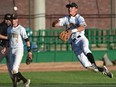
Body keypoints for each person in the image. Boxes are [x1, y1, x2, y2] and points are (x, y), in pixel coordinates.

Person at [52, 2, 113, 78]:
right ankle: (103, 70)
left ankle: (94, 64)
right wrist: (55, 22)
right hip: (74, 45)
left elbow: (83, 27)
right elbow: (54, 24)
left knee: (85, 49)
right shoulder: (66, 18)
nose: (69, 9)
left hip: (81, 39)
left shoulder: (79, 18)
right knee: (88, 67)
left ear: (76, 9)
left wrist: (71, 31)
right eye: (69, 7)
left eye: (71, 7)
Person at [3, 13, 32, 87]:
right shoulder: (9, 29)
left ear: (17, 20)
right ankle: (25, 81)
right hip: (11, 50)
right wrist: (5, 47)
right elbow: (8, 40)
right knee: (13, 70)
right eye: (12, 19)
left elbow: (27, 40)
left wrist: (29, 52)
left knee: (14, 69)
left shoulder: (21, 29)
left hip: (19, 50)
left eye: (14, 19)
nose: (13, 20)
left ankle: (15, 85)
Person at [0, 13, 14, 82]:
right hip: (3, 48)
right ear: (5, 19)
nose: (8, 21)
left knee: (11, 66)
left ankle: (15, 80)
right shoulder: (1, 26)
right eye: (7, 19)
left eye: (9, 19)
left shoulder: (11, 26)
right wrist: (6, 37)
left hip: (9, 48)